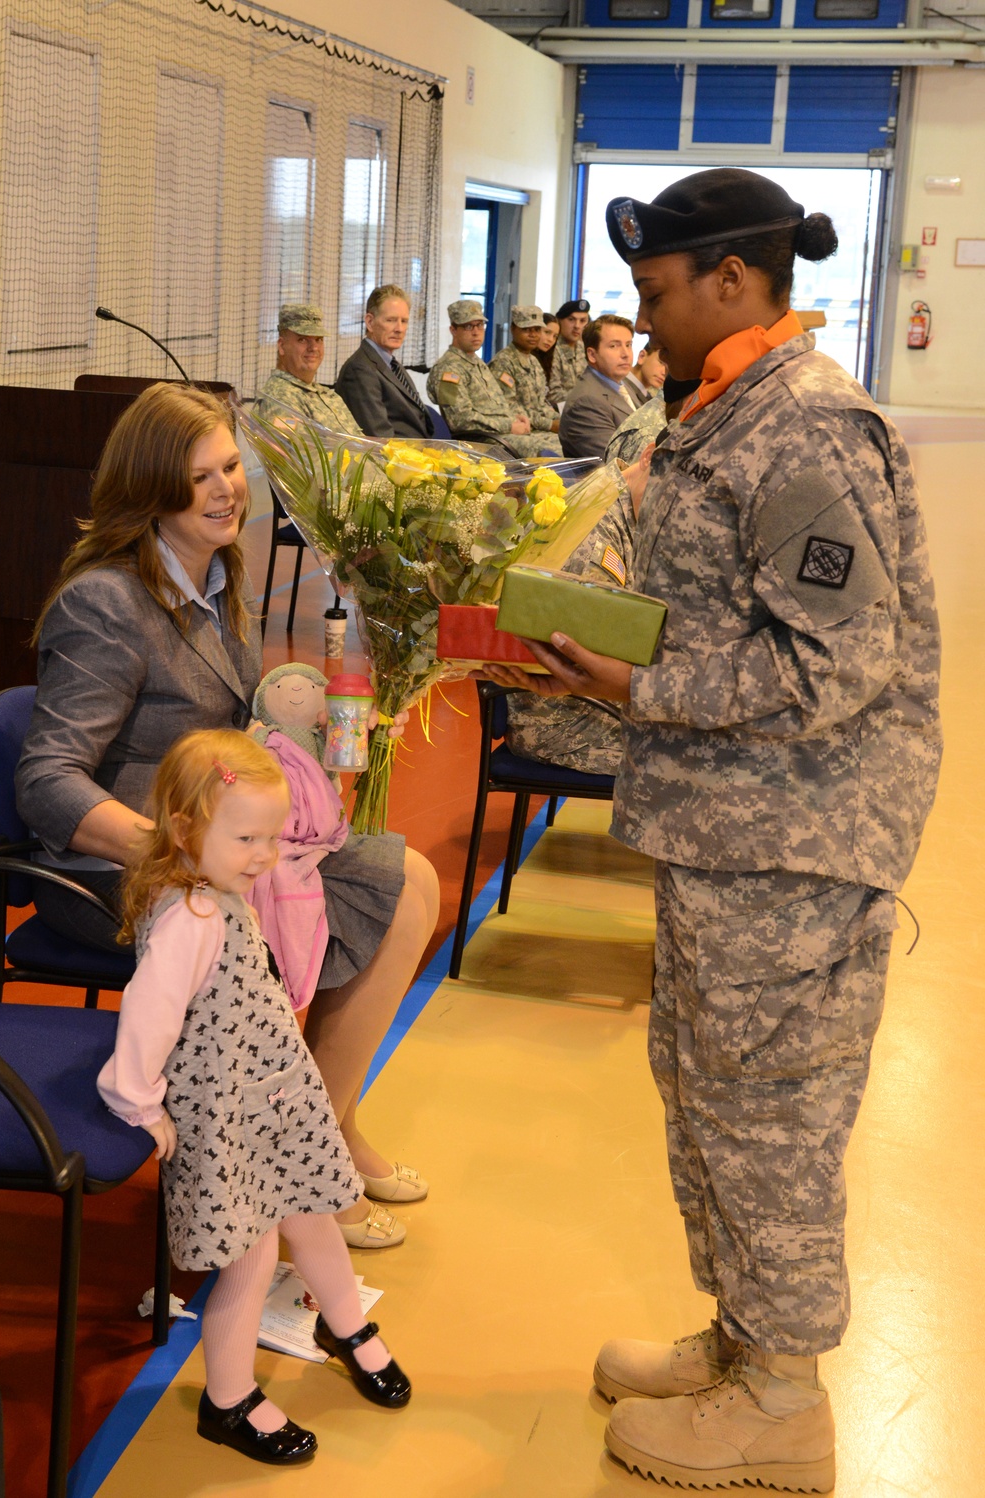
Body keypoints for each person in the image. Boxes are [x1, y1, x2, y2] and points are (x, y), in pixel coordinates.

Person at [483, 168, 942, 1492]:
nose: (644, 317)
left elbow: (833, 669)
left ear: (731, 279)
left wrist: (639, 682)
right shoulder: (727, 408)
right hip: (730, 830)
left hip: (795, 841)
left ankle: (787, 1404)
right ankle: (746, 1340)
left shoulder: (804, 431)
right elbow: (723, 604)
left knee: (771, 1108)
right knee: (709, 1094)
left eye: (655, 293)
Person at [16, 382, 440, 1252]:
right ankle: (300, 1163)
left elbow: (230, 724)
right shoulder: (108, 601)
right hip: (120, 873)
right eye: (200, 476)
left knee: (414, 884)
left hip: (215, 849)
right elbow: (46, 781)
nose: (226, 490)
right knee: (379, 893)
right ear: (151, 488)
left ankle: (321, 1127)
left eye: (230, 469)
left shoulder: (215, 575)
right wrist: (171, 858)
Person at [97, 730, 411, 1466]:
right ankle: (228, 1398)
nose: (265, 856)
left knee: (313, 1210)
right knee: (252, 1251)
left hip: (271, 1095)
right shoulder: (191, 918)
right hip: (227, 1114)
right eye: (248, 838)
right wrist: (139, 1102)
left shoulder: (218, 890)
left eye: (272, 837)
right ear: (184, 828)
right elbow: (147, 1014)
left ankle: (344, 1326)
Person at [504, 447, 652, 774]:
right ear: (650, 456)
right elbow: (601, 665)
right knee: (708, 761)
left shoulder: (610, 492)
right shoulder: (594, 539)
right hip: (567, 722)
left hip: (586, 701)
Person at [427, 299, 560, 459]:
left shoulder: (476, 362)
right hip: (482, 442)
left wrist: (515, 418)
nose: (476, 332)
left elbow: (495, 405)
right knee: (552, 452)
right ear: (453, 330)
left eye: (480, 325)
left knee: (566, 443)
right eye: (468, 326)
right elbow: (460, 420)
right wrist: (509, 425)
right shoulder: (448, 370)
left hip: (503, 434)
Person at [335, 285, 434, 440]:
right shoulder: (359, 370)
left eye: (404, 321)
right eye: (391, 320)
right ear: (370, 322)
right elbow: (379, 439)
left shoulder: (391, 364)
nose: (399, 329)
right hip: (397, 461)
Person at [256, 303, 363, 435]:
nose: (314, 348)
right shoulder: (280, 398)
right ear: (282, 346)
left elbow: (361, 443)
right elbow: (297, 454)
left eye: (318, 339)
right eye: (302, 340)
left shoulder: (326, 394)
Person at [558, 314, 636, 460]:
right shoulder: (586, 402)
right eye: (614, 346)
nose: (626, 354)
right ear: (592, 355)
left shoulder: (623, 385)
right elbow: (619, 462)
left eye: (628, 345)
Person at [488, 305, 562, 441]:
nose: (533, 335)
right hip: (518, 432)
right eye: (526, 329)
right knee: (563, 449)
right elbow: (510, 408)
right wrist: (550, 424)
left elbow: (541, 404)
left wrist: (562, 420)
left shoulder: (533, 361)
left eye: (537, 329)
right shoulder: (503, 363)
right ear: (513, 329)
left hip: (537, 430)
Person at [547, 298, 591, 406]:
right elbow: (552, 394)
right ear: (559, 321)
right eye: (571, 319)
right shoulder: (551, 348)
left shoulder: (585, 348)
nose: (577, 326)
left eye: (582, 321)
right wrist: (587, 398)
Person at [622, 340, 666, 409]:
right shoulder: (620, 389)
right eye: (661, 362)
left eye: (669, 369)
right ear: (642, 356)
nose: (664, 373)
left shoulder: (651, 399)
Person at [533, 311, 560, 388]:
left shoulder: (547, 358)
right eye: (547, 332)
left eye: (555, 336)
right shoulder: (526, 357)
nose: (551, 340)